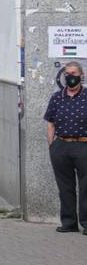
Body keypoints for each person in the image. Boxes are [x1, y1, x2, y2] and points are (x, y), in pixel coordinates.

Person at [45, 61, 87, 233]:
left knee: (86, 187)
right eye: (67, 73)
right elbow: (50, 123)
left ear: (81, 76)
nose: (70, 76)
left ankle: (86, 222)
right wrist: (52, 147)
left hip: (83, 145)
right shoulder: (57, 97)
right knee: (65, 187)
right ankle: (69, 223)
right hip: (61, 145)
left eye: (74, 73)